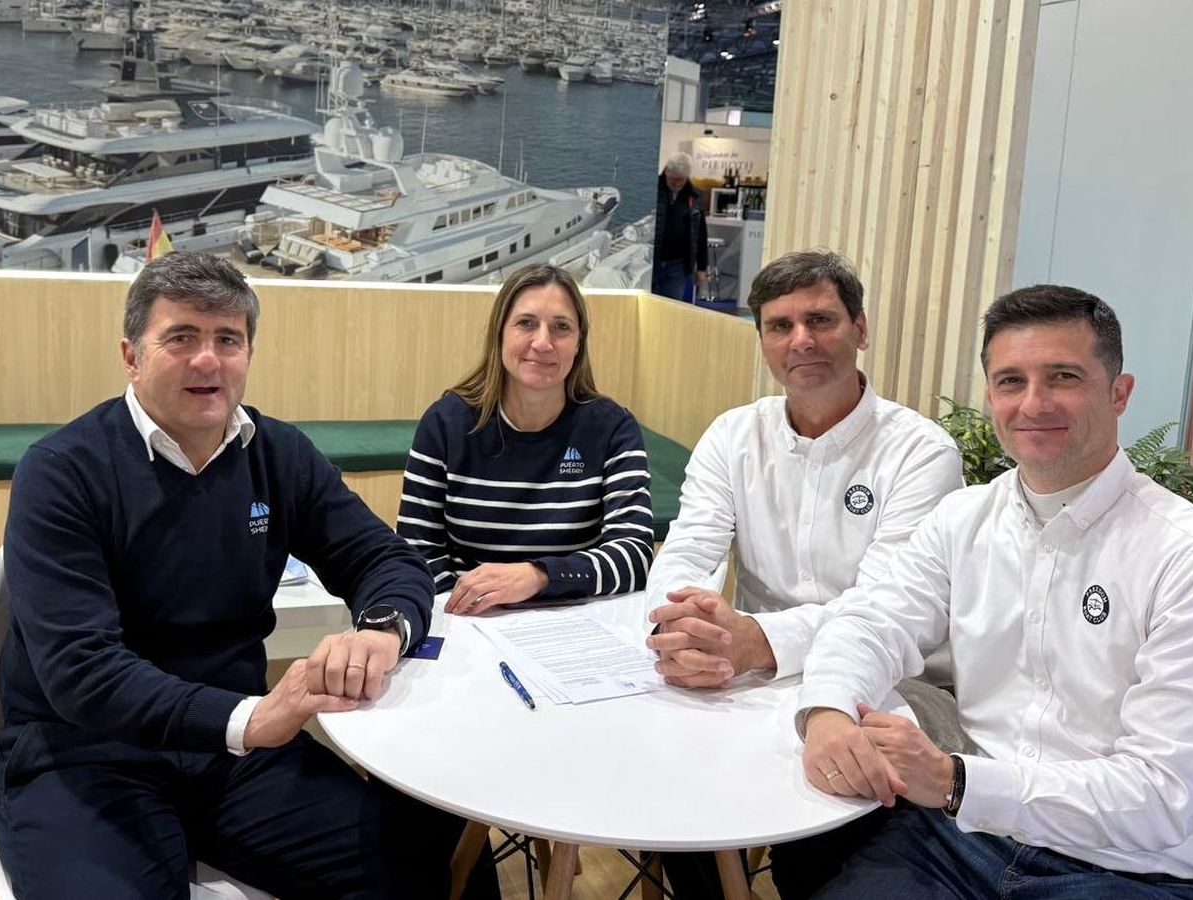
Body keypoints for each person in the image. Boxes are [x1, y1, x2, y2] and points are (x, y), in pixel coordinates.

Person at [0, 251, 481, 899]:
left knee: (434, 865)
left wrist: (383, 630)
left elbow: (385, 559)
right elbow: (81, 670)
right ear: (131, 356)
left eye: (228, 339)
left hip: (233, 760)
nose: (208, 360)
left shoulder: (279, 455)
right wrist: (248, 718)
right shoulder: (62, 472)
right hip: (86, 756)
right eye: (181, 338)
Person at [799, 285, 1193, 898]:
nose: (1033, 403)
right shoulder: (962, 520)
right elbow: (870, 621)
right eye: (1011, 381)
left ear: (1119, 393)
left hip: (1131, 869)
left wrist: (956, 781)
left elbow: (1167, 796)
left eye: (1063, 377)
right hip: (960, 840)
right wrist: (829, 710)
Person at [643, 249, 964, 898]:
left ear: (860, 329)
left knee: (826, 816)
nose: (801, 341)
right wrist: (684, 626)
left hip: (895, 682)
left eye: (820, 320)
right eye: (780, 326)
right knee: (660, 783)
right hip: (750, 674)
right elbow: (688, 553)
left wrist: (756, 640)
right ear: (762, 341)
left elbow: (883, 607)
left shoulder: (921, 453)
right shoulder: (733, 436)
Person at [398, 264, 654, 614]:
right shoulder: (445, 424)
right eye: (526, 323)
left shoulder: (612, 428)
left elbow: (635, 556)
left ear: (578, 343)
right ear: (500, 333)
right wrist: (468, 613)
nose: (543, 342)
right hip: (472, 620)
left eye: (561, 327)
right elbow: (416, 553)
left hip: (576, 621)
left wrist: (539, 577)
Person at [653, 151, 708, 302]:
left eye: (681, 180)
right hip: (650, 261)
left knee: (670, 307)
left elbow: (700, 233)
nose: (677, 184)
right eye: (673, 179)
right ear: (666, 172)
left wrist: (701, 267)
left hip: (677, 266)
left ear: (687, 177)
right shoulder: (652, 190)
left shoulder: (695, 196)